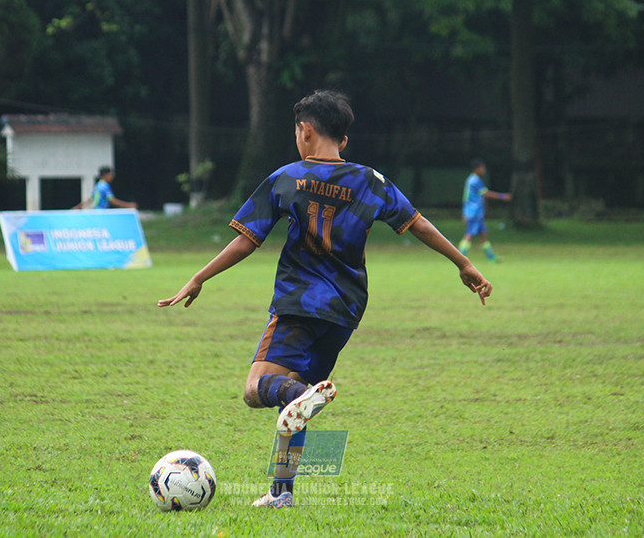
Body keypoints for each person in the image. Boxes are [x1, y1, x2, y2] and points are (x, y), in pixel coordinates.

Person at [157, 90, 493, 509]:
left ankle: (296, 413)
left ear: (305, 131)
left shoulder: (287, 177)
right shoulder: (372, 182)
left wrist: (199, 277)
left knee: (258, 389)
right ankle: (282, 493)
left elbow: (247, 240)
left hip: (298, 303)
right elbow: (418, 224)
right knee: (296, 400)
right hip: (345, 311)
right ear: (345, 140)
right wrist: (464, 264)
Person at [458, 159, 511, 262]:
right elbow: (485, 193)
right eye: (482, 168)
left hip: (476, 212)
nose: (484, 170)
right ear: (477, 168)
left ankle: (491, 258)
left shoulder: (471, 179)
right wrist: (502, 196)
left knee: (483, 235)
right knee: (469, 235)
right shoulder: (475, 180)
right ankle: (460, 257)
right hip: (474, 212)